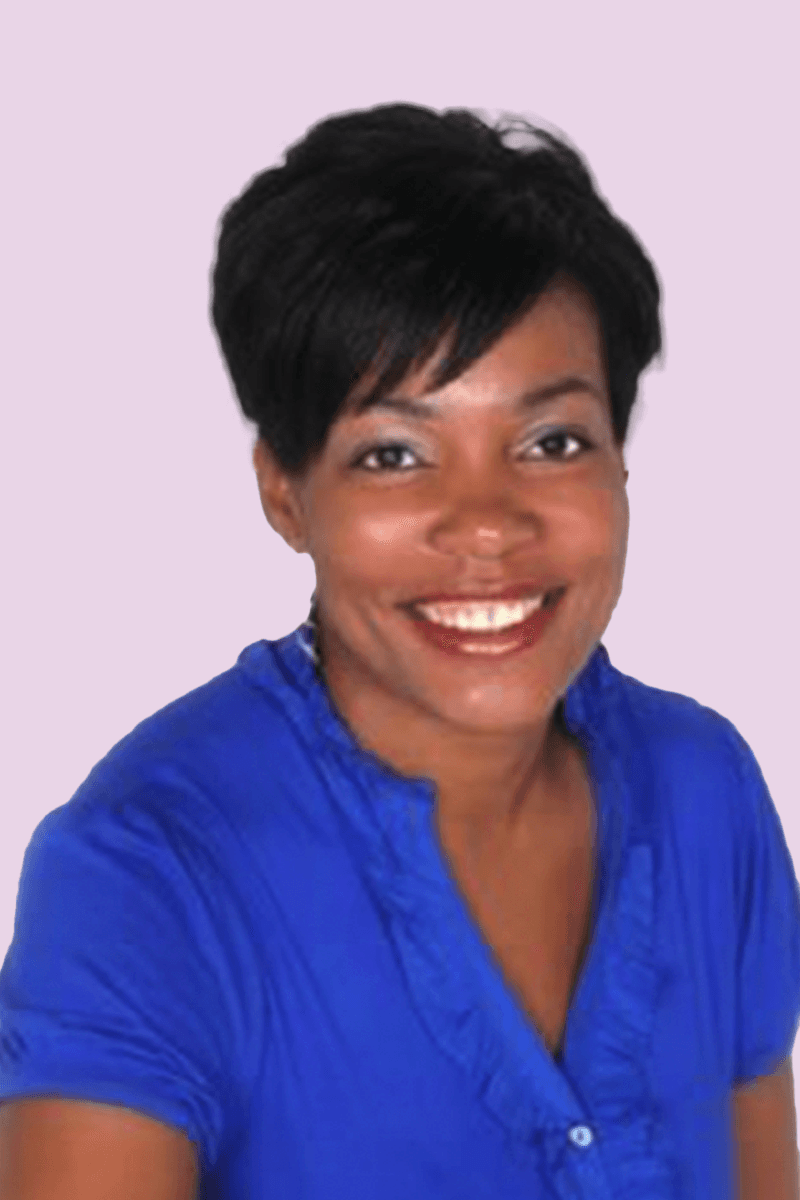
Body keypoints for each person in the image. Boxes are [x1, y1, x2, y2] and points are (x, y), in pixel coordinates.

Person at [0, 102, 798, 1200]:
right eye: (393, 454)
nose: (488, 526)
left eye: (551, 440)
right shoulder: (147, 873)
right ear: (285, 492)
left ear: (620, 460)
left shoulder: (704, 792)